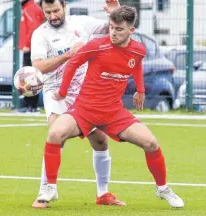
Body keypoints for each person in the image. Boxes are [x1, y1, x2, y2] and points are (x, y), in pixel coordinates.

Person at [37, 5, 185, 208]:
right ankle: (49, 188)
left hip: (114, 113)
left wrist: (140, 90)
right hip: (85, 110)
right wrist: (62, 93)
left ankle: (162, 189)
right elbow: (72, 64)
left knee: (151, 143)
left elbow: (137, 65)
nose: (113, 33)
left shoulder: (138, 50)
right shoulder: (97, 45)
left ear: (131, 30)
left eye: (119, 29)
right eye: (112, 27)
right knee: (55, 134)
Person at [30, 0, 125, 208]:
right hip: (56, 93)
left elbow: (114, 28)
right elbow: (39, 66)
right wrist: (68, 54)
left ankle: (103, 194)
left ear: (64, 6)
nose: (53, 15)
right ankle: (44, 191)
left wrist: (116, 12)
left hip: (84, 93)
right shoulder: (40, 34)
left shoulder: (82, 23)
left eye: (56, 10)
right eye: (48, 12)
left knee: (100, 141)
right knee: (56, 135)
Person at [18, 0, 44, 112]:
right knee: (32, 75)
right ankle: (31, 105)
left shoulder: (29, 9)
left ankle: (30, 106)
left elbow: (33, 27)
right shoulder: (32, 8)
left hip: (30, 48)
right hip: (33, 47)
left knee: (29, 76)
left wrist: (27, 44)